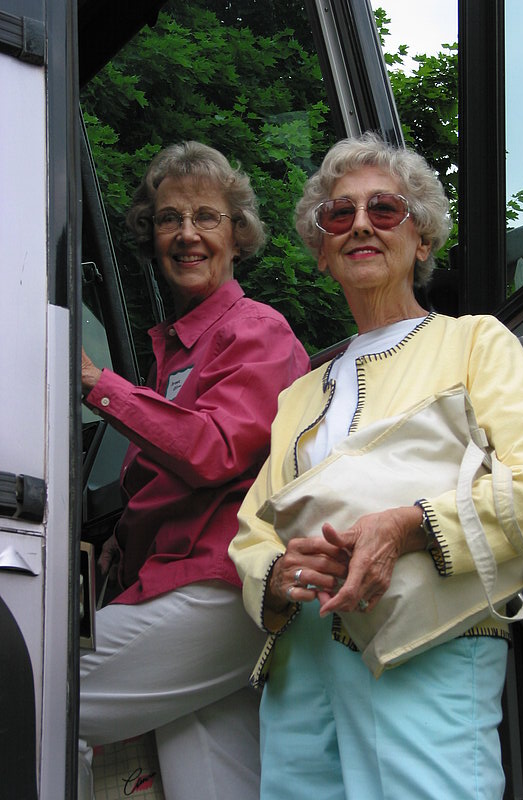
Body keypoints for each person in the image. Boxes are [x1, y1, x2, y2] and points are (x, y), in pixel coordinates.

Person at [228, 132, 523, 800]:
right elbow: (253, 531)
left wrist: (408, 525)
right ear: (325, 251)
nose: (360, 223)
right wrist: (274, 576)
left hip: (428, 644)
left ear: (421, 239)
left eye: (384, 209)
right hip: (302, 666)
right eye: (340, 214)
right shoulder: (299, 394)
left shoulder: (473, 342)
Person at [78, 141, 310, 800]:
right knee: (211, 783)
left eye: (206, 217)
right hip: (183, 589)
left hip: (218, 585)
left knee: (39, 698)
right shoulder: (173, 350)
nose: (187, 234)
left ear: (237, 235)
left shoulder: (254, 330)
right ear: (150, 238)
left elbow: (211, 450)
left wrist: (100, 384)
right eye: (168, 219)